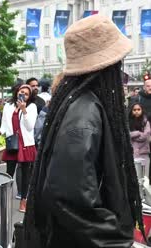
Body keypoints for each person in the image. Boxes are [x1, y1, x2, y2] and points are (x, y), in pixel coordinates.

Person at [24, 14, 143, 247]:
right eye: (118, 64)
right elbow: (70, 198)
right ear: (106, 68)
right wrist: (116, 241)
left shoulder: (83, 105)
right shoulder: (83, 114)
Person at [0, 84, 37, 212]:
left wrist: (24, 110)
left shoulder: (31, 107)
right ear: (17, 92)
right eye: (21, 92)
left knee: (26, 174)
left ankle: (23, 201)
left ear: (30, 96)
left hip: (25, 143)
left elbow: (30, 126)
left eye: (26, 94)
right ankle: (4, 199)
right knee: (9, 173)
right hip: (12, 142)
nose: (23, 95)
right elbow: (4, 125)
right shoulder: (9, 106)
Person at [130, 102, 151, 199]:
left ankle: (146, 199)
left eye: (139, 109)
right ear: (131, 111)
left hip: (144, 153)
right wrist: (138, 132)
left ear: (142, 110)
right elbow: (127, 134)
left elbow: (145, 136)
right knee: (136, 178)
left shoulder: (146, 122)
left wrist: (134, 135)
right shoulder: (128, 122)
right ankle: (139, 198)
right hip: (133, 154)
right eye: (134, 110)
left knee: (145, 178)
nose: (137, 112)